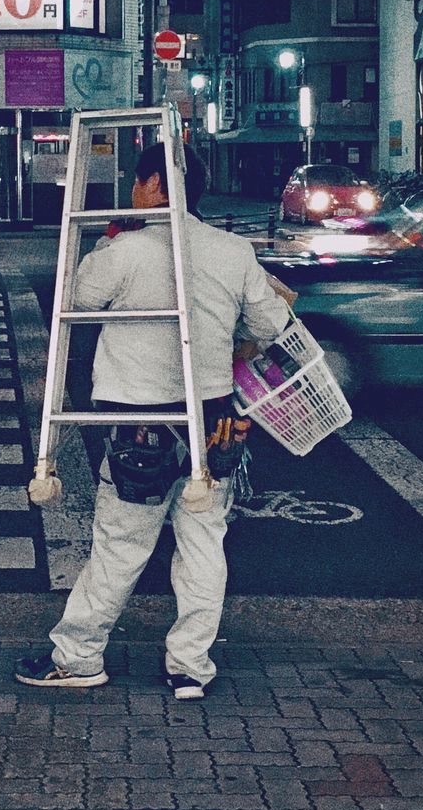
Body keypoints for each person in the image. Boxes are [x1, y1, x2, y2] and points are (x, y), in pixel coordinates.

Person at [15, 143, 292, 700]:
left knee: (119, 546)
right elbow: (273, 320)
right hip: (211, 418)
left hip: (137, 421)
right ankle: (189, 666)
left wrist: (108, 239)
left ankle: (78, 656)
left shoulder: (127, 251)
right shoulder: (232, 251)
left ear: (154, 187)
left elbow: (76, 300)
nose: (134, 193)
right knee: (204, 545)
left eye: (138, 182)